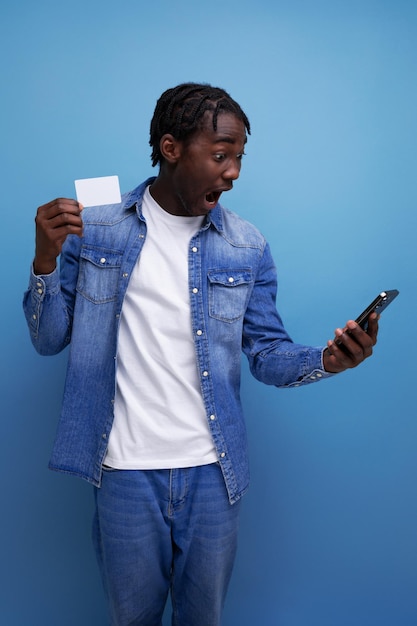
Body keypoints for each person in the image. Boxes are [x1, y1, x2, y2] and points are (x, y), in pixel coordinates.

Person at [23, 83, 378, 626]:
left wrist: (328, 361)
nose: (232, 172)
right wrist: (46, 260)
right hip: (124, 471)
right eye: (219, 155)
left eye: (238, 158)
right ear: (171, 148)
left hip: (213, 475)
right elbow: (48, 340)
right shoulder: (98, 230)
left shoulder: (246, 246)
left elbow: (268, 353)